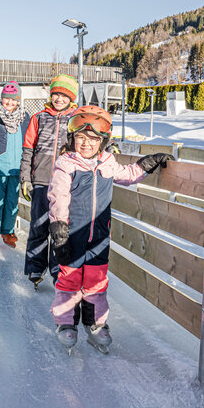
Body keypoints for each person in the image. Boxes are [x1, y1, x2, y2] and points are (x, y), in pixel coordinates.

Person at [47, 106, 173, 353]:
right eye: (81, 138)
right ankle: (66, 323)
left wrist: (148, 163)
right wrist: (59, 229)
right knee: (70, 279)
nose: (86, 144)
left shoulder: (107, 162)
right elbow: (58, 197)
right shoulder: (66, 164)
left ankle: (95, 324)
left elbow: (127, 175)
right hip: (71, 234)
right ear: (72, 139)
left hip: (100, 236)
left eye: (93, 139)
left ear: (102, 142)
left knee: (96, 281)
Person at [19, 74, 79, 289]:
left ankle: (58, 270)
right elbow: (27, 150)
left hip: (66, 183)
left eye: (64, 95)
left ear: (71, 98)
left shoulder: (77, 118)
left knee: (59, 228)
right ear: (51, 95)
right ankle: (35, 267)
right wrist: (25, 178)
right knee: (38, 225)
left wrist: (109, 147)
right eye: (56, 94)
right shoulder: (38, 118)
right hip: (42, 180)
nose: (59, 99)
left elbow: (90, 141)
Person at [0, 81, 31, 250]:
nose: (9, 103)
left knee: (12, 201)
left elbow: (30, 141)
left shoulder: (25, 118)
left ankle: (7, 231)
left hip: (17, 168)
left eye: (13, 100)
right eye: (6, 99)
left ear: (19, 101)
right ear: (1, 99)